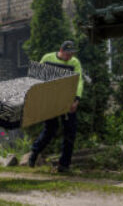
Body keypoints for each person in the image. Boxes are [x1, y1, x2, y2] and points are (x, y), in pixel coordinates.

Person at [28, 40, 84, 173]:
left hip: (68, 101)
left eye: (72, 54)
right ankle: (34, 152)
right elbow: (38, 77)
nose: (69, 56)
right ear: (61, 50)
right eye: (67, 53)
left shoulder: (74, 62)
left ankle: (64, 165)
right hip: (50, 101)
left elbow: (79, 81)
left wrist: (76, 100)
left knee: (70, 131)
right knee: (51, 129)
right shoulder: (47, 58)